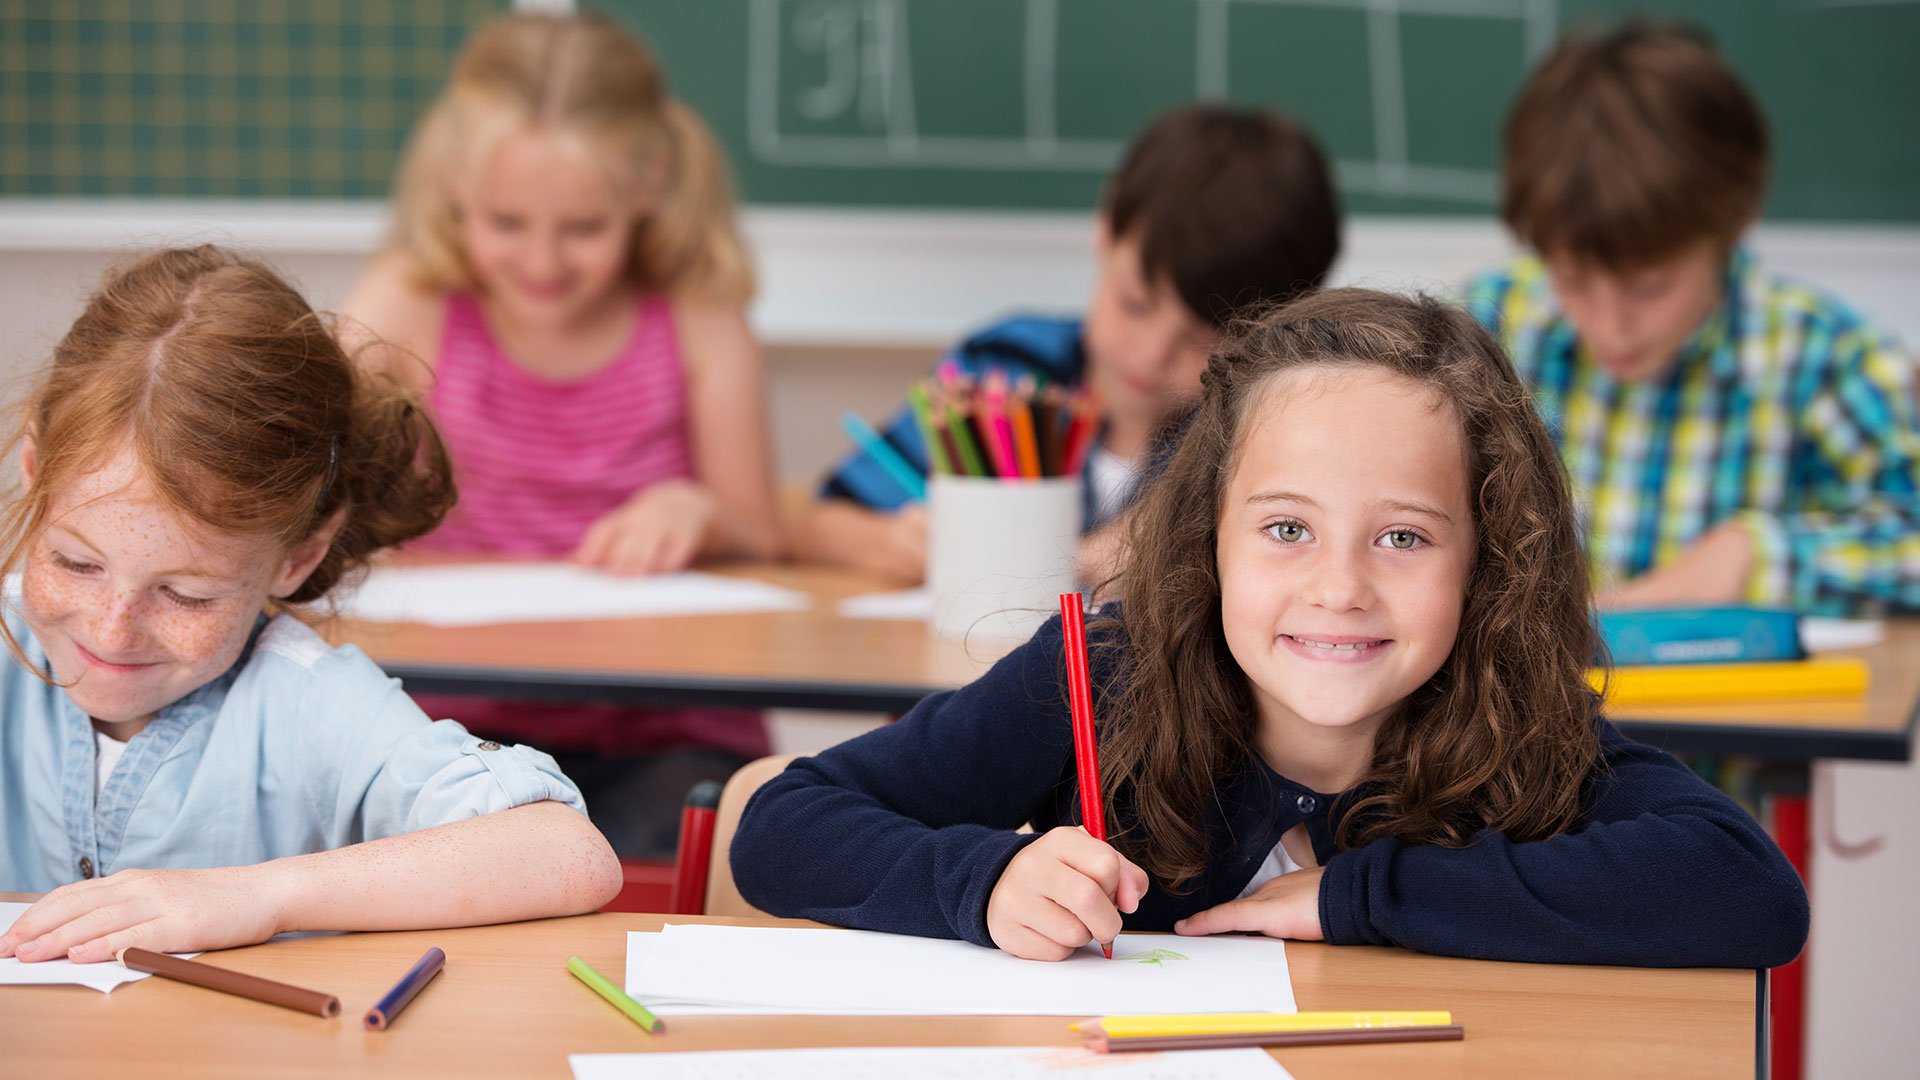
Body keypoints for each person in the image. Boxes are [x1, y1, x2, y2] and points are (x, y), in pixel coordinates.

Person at [731, 289, 1808, 969]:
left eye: (1404, 539)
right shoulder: (1102, 678)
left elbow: (1745, 892)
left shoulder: (1512, 720)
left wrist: (1360, 897)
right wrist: (986, 884)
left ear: (1486, 563)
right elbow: (786, 825)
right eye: (1288, 528)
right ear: (1209, 541)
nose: (1339, 588)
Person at [0, 247, 622, 964]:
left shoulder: (306, 702)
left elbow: (568, 854)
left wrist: (257, 897)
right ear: (33, 473)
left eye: (185, 593)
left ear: (297, 558)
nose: (112, 627)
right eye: (74, 563)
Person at [340, 11, 782, 856]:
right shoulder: (410, 303)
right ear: (455, 190)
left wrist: (699, 509)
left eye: (584, 230)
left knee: (693, 852)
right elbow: (301, 479)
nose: (542, 262)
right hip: (450, 724)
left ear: (648, 187)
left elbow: (759, 527)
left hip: (664, 728)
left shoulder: (695, 310)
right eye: (506, 223)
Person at [1464, 20, 1920, 614]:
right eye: (1572, 280)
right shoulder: (1482, 330)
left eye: (1648, 288)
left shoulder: (1829, 362)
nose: (1609, 326)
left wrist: (1755, 556)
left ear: (1731, 224)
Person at [794, 103, 1342, 585]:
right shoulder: (1005, 372)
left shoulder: (1264, 431)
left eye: (1204, 339)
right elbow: (814, 526)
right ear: (1105, 230)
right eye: (1134, 303)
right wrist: (888, 544)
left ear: (1281, 321)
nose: (1152, 353)